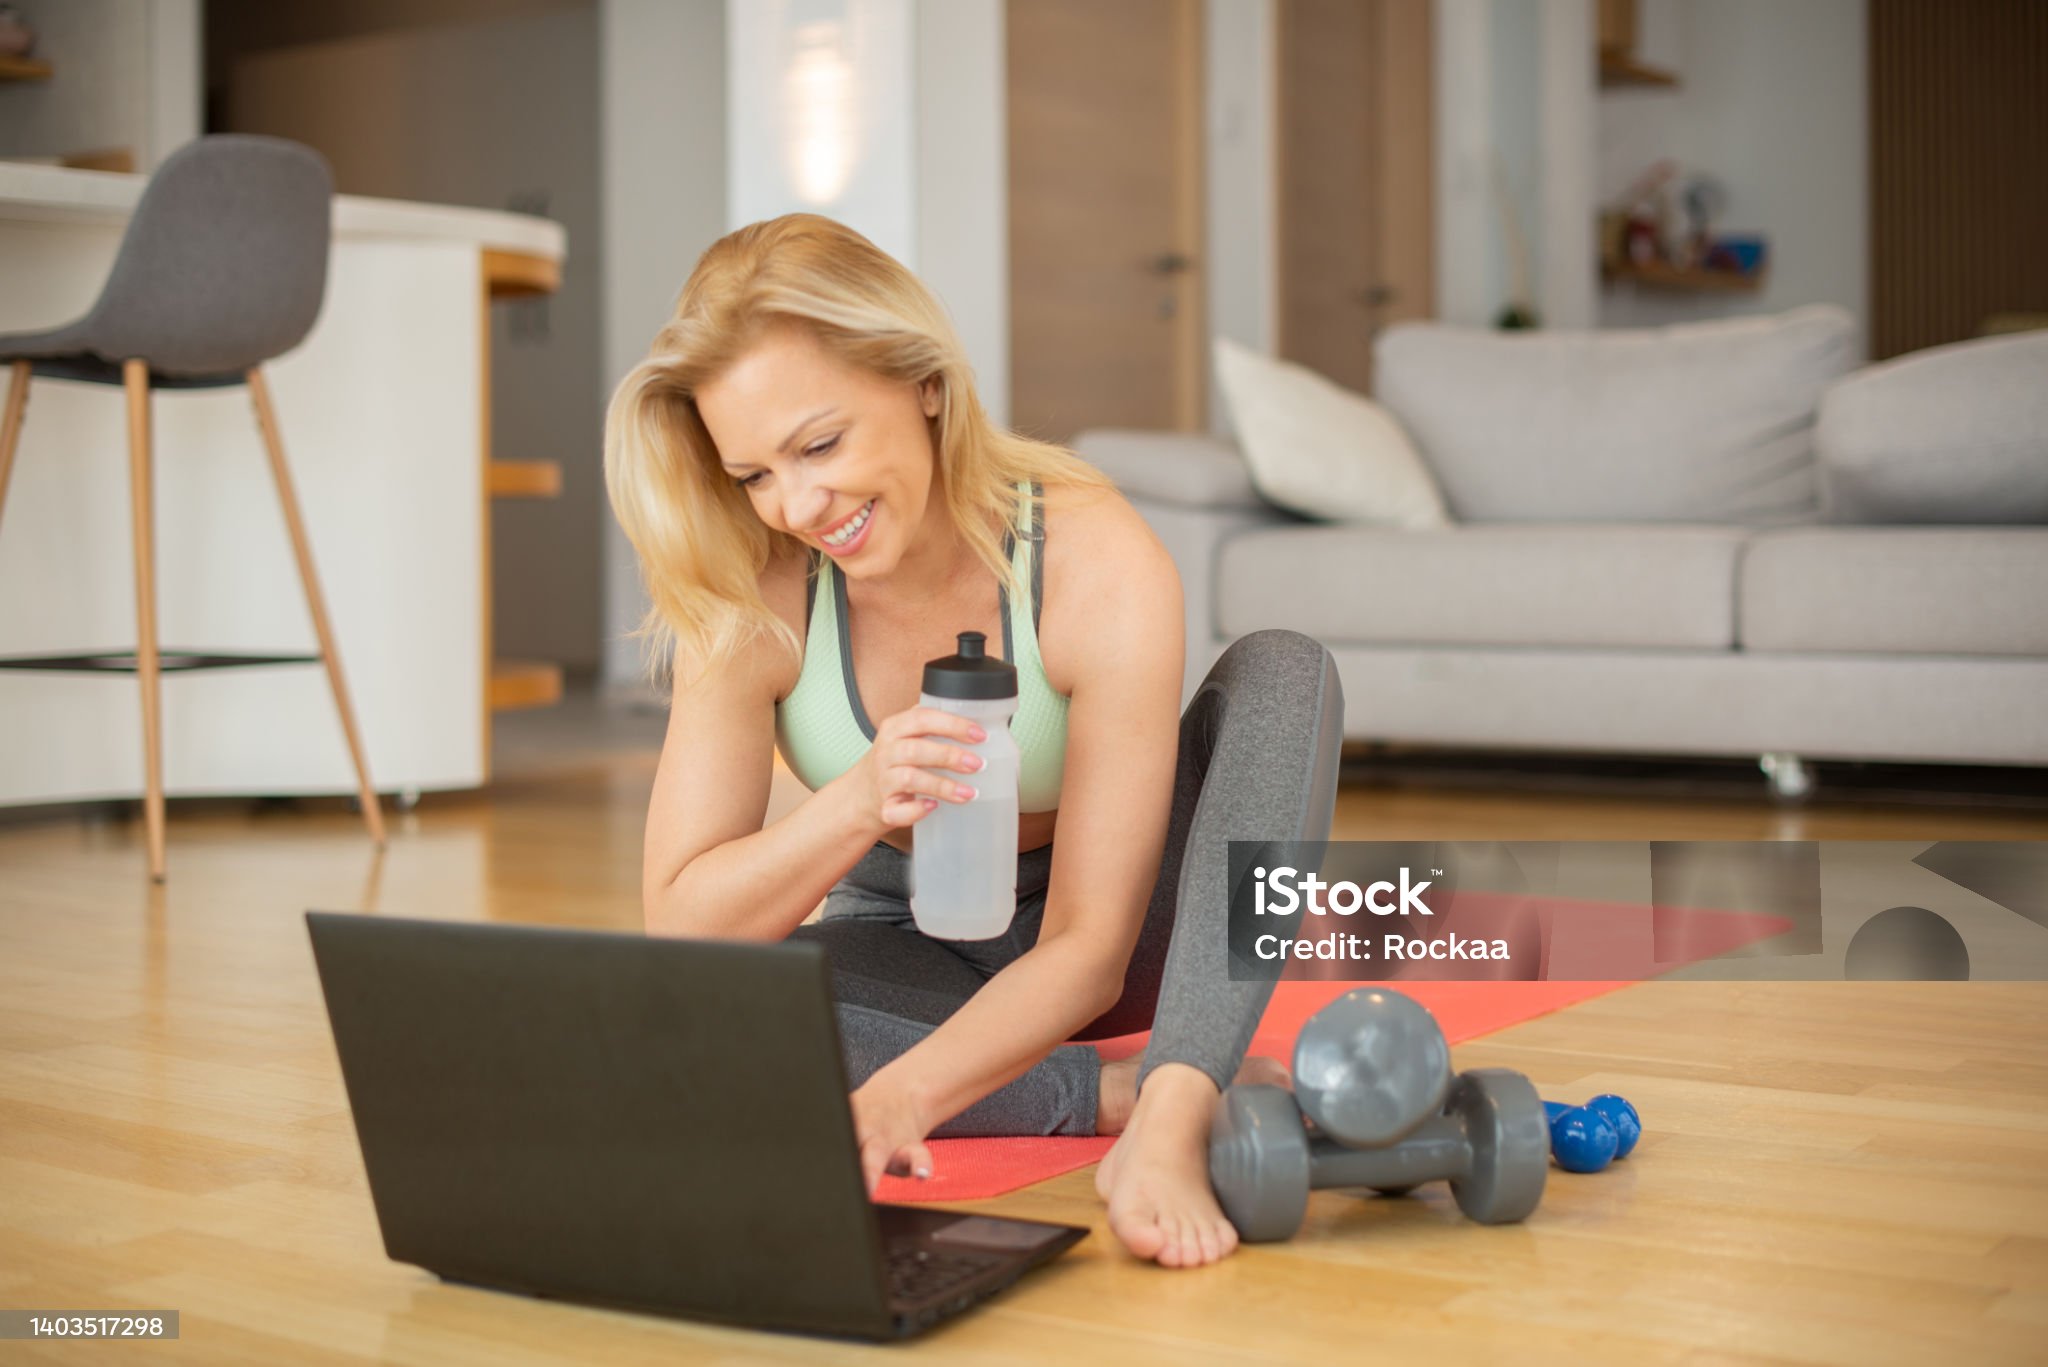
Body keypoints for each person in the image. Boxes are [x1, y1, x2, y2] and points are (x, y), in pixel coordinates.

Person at [604, 213, 1321, 1268]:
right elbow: (684, 926)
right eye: (753, 473)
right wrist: (854, 798)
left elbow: (1086, 946)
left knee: (1285, 671)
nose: (798, 504)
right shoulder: (751, 591)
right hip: (910, 935)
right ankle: (1107, 1094)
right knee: (691, 1028)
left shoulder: (1089, 552)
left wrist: (901, 1094)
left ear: (923, 381)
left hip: (1131, 937)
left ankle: (1171, 1108)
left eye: (819, 443)